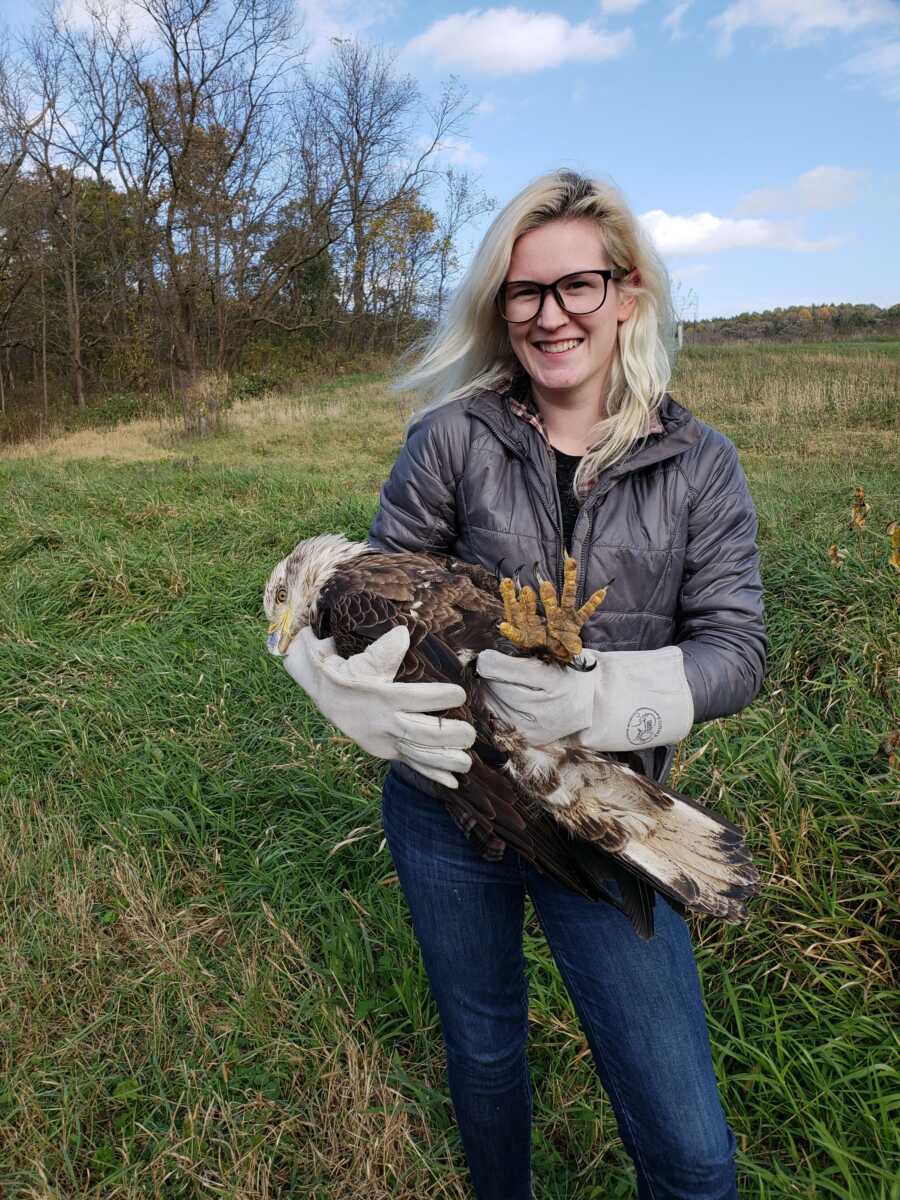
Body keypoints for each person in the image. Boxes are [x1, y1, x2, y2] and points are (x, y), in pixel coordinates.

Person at [283, 168, 767, 1200]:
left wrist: (609, 698)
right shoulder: (452, 438)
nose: (552, 316)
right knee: (489, 1051)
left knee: (694, 1155)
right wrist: (349, 693)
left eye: (577, 286)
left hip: (600, 818)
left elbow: (738, 649)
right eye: (525, 291)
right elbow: (375, 590)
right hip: (445, 808)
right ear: (501, 309)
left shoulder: (700, 467)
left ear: (627, 294)